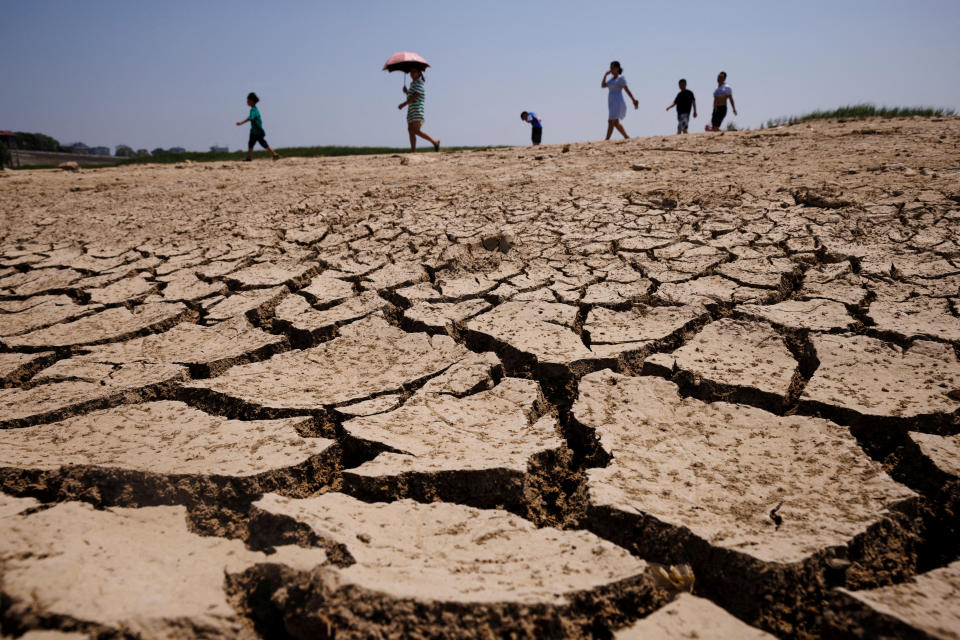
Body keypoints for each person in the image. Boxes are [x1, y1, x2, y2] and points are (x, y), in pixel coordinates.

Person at [398, 68, 440, 152]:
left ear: (419, 73)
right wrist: (406, 92)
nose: (412, 74)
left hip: (417, 110)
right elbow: (411, 96)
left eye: (414, 72)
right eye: (411, 72)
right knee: (410, 130)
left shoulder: (420, 83)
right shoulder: (412, 84)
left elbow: (414, 97)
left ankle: (434, 142)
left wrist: (403, 104)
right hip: (411, 111)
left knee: (416, 130)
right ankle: (413, 150)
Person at [236, 92, 279, 161]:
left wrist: (241, 123)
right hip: (254, 131)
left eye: (248, 100)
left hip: (257, 131)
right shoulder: (255, 109)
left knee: (262, 143)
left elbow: (251, 118)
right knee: (251, 143)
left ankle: (275, 154)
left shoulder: (253, 110)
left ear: (252, 101)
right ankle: (249, 157)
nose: (247, 102)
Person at [601, 61, 639, 140]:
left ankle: (607, 139)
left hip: (618, 101)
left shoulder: (620, 78)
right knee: (615, 123)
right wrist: (605, 75)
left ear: (617, 68)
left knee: (611, 121)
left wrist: (633, 99)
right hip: (611, 102)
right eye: (610, 68)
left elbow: (627, 89)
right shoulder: (611, 80)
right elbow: (603, 85)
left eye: (612, 68)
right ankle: (626, 136)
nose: (611, 70)